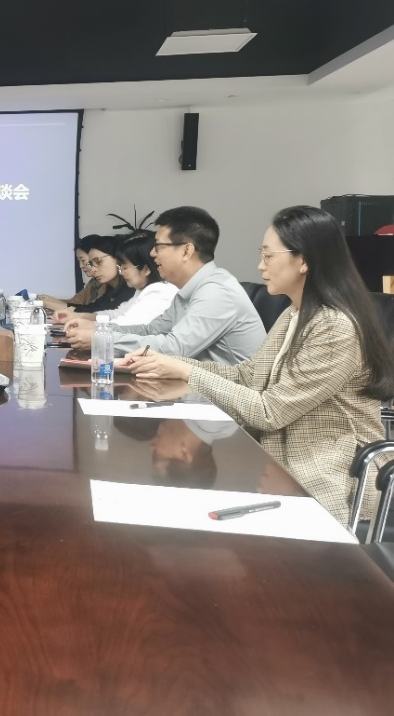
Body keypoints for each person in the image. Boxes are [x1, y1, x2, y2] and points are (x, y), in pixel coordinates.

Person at [125, 205, 394, 524]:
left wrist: (188, 372)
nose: (260, 265)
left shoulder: (334, 326)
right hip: (281, 462)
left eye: (268, 256)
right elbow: (248, 375)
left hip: (330, 478)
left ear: (304, 260)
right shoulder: (294, 314)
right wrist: (171, 363)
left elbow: (271, 411)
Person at [65, 206, 264, 364]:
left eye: (159, 246)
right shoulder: (188, 291)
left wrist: (102, 339)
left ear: (186, 251)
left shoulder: (216, 292)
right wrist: (99, 329)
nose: (152, 254)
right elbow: (151, 330)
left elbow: (174, 349)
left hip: (226, 398)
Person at [54, 231, 177, 326]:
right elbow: (114, 314)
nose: (121, 272)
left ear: (146, 269)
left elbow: (124, 326)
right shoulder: (141, 291)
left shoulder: (159, 293)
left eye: (125, 267)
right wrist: (80, 317)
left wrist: (82, 322)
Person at [57, 236, 133, 315]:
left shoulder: (132, 288)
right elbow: (92, 307)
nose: (93, 269)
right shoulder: (109, 287)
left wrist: (53, 304)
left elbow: (102, 312)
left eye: (98, 261)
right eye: (91, 263)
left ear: (118, 257)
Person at [38, 234, 106, 312]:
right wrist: (51, 300)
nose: (81, 266)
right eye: (79, 261)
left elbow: (94, 310)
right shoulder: (93, 282)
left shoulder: (109, 284)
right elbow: (75, 302)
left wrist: (49, 304)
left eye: (83, 260)